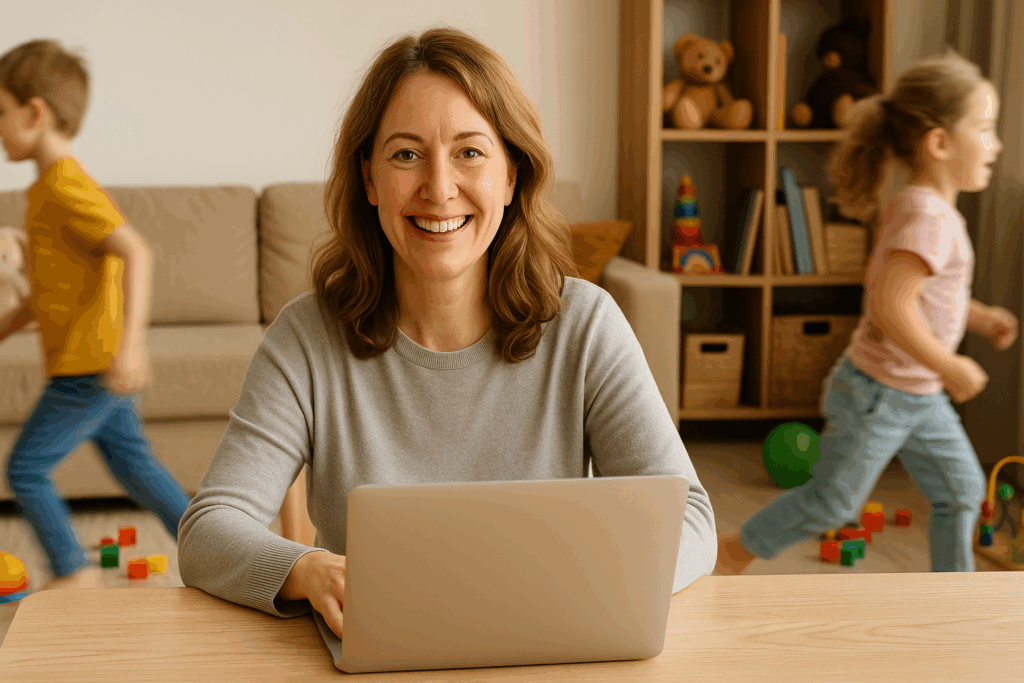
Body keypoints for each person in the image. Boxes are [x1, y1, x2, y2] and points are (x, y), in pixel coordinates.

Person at [178, 27, 717, 639]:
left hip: (547, 646)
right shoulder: (306, 337)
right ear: (369, 179)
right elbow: (209, 527)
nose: (439, 188)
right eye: (406, 155)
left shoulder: (586, 325)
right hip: (373, 660)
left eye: (470, 153)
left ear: (511, 176)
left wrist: (583, 586)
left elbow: (692, 520)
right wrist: (304, 568)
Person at [716, 50, 1017, 575]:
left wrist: (980, 315)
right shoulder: (929, 219)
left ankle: (953, 595)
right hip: (880, 394)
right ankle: (730, 552)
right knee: (833, 504)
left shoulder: (924, 208)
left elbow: (927, 298)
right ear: (940, 143)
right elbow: (892, 305)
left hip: (918, 393)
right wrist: (949, 364)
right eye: (986, 130)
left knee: (962, 492)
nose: (997, 145)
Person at [0, 39, 193, 591]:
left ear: (34, 113)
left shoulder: (64, 185)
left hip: (91, 362)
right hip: (90, 360)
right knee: (136, 468)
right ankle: (213, 545)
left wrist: (130, 346)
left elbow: (136, 251)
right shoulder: (44, 191)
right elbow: (47, 291)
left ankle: (73, 572)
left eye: (0, 113)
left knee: (25, 468)